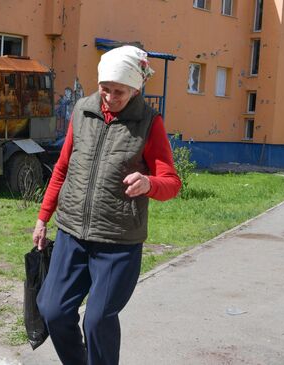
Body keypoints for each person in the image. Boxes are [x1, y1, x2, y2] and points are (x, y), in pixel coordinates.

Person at [32, 45, 181, 365]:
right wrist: (43, 217)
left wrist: (149, 183)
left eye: (120, 92)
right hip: (72, 234)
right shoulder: (82, 111)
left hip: (117, 242)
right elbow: (62, 168)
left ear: (135, 88)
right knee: (53, 310)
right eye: (106, 89)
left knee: (98, 321)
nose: (111, 97)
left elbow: (171, 182)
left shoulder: (148, 122)